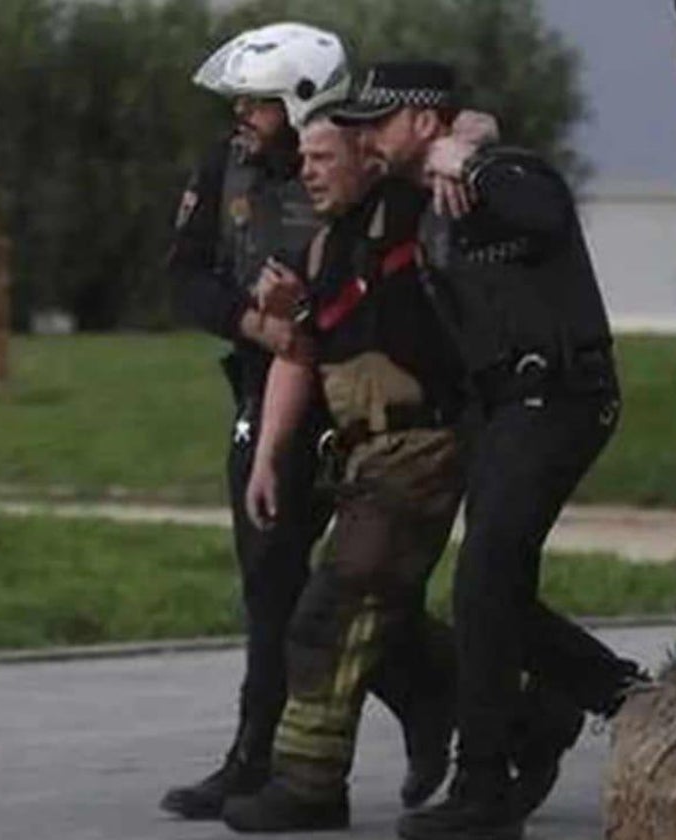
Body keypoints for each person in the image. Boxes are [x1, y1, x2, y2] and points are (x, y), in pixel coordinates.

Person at [331, 62, 648, 840]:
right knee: (488, 588)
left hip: (560, 398)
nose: (363, 135)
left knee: (483, 580)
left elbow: (543, 210)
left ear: (424, 121)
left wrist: (469, 155)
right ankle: (595, 697)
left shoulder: (502, 175)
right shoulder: (415, 196)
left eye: (377, 121)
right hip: (502, 409)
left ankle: (489, 783)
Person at [161, 27, 449, 821]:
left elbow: (453, 135)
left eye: (255, 102)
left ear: (299, 105)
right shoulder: (226, 168)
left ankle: (446, 706)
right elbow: (184, 276)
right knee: (273, 581)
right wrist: (256, 326)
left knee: (349, 583)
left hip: (361, 397)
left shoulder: (362, 162)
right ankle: (259, 756)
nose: (242, 116)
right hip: (272, 384)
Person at [219, 113, 466, 833]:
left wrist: (461, 146)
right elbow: (301, 352)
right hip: (361, 455)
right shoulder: (328, 246)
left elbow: (474, 129)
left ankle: (309, 786)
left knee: (333, 609)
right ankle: (519, 708)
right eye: (303, 157)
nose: (308, 170)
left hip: (418, 446)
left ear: (368, 154)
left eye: (324, 156)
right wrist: (267, 458)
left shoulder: (419, 215)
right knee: (368, 615)